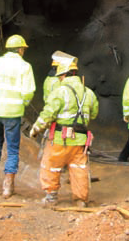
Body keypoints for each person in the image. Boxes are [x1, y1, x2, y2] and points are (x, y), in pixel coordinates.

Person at [29, 55, 99, 207]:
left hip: (60, 138)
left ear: (64, 75)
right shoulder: (89, 93)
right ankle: (80, 200)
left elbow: (48, 114)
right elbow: (93, 114)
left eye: (60, 76)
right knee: (79, 168)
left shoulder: (60, 92)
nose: (59, 79)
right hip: (80, 141)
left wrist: (36, 128)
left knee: (51, 165)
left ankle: (51, 197)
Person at [0, 34, 36, 198]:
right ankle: (8, 186)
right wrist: (22, 102)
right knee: (12, 149)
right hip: (12, 112)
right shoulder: (25, 67)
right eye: (23, 48)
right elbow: (28, 91)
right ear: (19, 49)